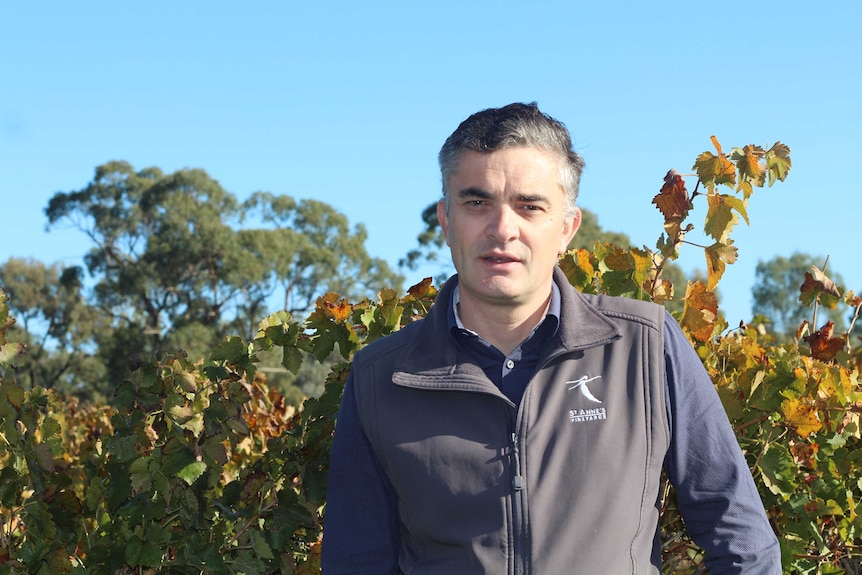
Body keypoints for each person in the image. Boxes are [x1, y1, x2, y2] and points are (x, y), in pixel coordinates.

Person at [321, 102, 781, 574]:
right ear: (445, 220)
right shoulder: (383, 377)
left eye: (529, 206)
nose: (502, 229)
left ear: (566, 228)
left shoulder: (647, 348)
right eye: (477, 202)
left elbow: (742, 541)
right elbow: (356, 562)